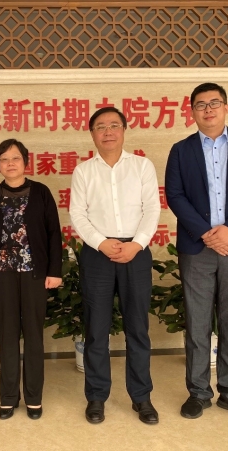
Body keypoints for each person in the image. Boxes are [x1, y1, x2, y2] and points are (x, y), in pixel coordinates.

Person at [165, 82, 228, 423]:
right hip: (198, 248)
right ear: (192, 111)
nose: (208, 109)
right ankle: (198, 393)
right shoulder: (181, 150)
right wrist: (207, 234)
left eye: (214, 103)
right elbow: (175, 196)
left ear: (226, 107)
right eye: (200, 104)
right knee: (197, 323)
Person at [69, 107, 161, 425]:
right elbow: (77, 213)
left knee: (138, 329)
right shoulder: (83, 171)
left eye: (113, 125)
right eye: (100, 127)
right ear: (92, 133)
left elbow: (152, 209)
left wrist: (137, 244)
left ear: (124, 130)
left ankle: (141, 397)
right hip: (98, 255)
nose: (107, 132)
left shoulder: (142, 166)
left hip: (136, 252)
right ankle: (96, 397)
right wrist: (101, 242)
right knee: (96, 330)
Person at [0, 139, 62, 421]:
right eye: (4, 159)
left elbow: (53, 233)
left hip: (35, 274)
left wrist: (55, 271)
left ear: (26, 161)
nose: (10, 163)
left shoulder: (41, 192)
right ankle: (8, 397)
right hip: (2, 275)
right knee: (8, 336)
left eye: (15, 158)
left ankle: (34, 398)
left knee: (34, 336)